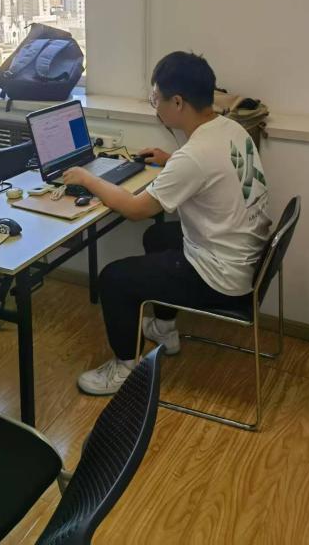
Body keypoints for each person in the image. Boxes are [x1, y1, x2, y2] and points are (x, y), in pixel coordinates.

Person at [63, 51, 272, 395]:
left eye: (156, 98)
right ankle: (164, 329)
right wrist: (170, 160)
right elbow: (214, 169)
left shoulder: (195, 155)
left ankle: (124, 368)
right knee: (159, 236)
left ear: (177, 102)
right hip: (246, 257)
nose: (155, 106)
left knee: (114, 279)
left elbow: (135, 209)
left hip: (221, 276)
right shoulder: (230, 128)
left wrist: (89, 179)